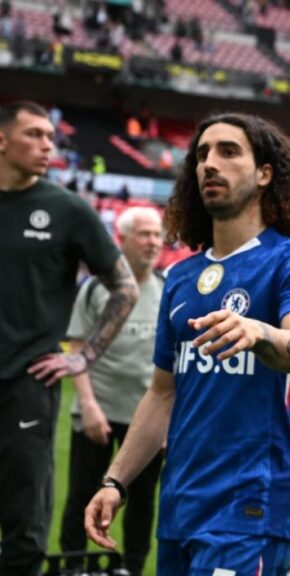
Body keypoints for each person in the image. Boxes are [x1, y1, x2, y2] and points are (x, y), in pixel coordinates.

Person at [83, 113, 290, 575]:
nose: (210, 163)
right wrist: (115, 481)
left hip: (250, 506)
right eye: (202, 154)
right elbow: (161, 394)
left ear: (264, 174)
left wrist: (260, 332)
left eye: (229, 152)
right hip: (179, 505)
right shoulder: (180, 276)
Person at [0, 100, 139, 575]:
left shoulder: (66, 210)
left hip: (26, 387)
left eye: (50, 136)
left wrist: (84, 357)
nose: (48, 145)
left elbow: (125, 287)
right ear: (3, 140)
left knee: (23, 525)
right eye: (35, 134)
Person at [59, 206, 165, 575]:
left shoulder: (167, 289)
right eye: (144, 234)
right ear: (122, 239)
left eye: (157, 235)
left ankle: (131, 568)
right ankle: (73, 566)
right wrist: (87, 404)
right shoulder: (95, 289)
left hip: (146, 420)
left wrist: (167, 422)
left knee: (142, 501)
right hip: (98, 412)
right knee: (81, 494)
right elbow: (76, 348)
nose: (153, 242)